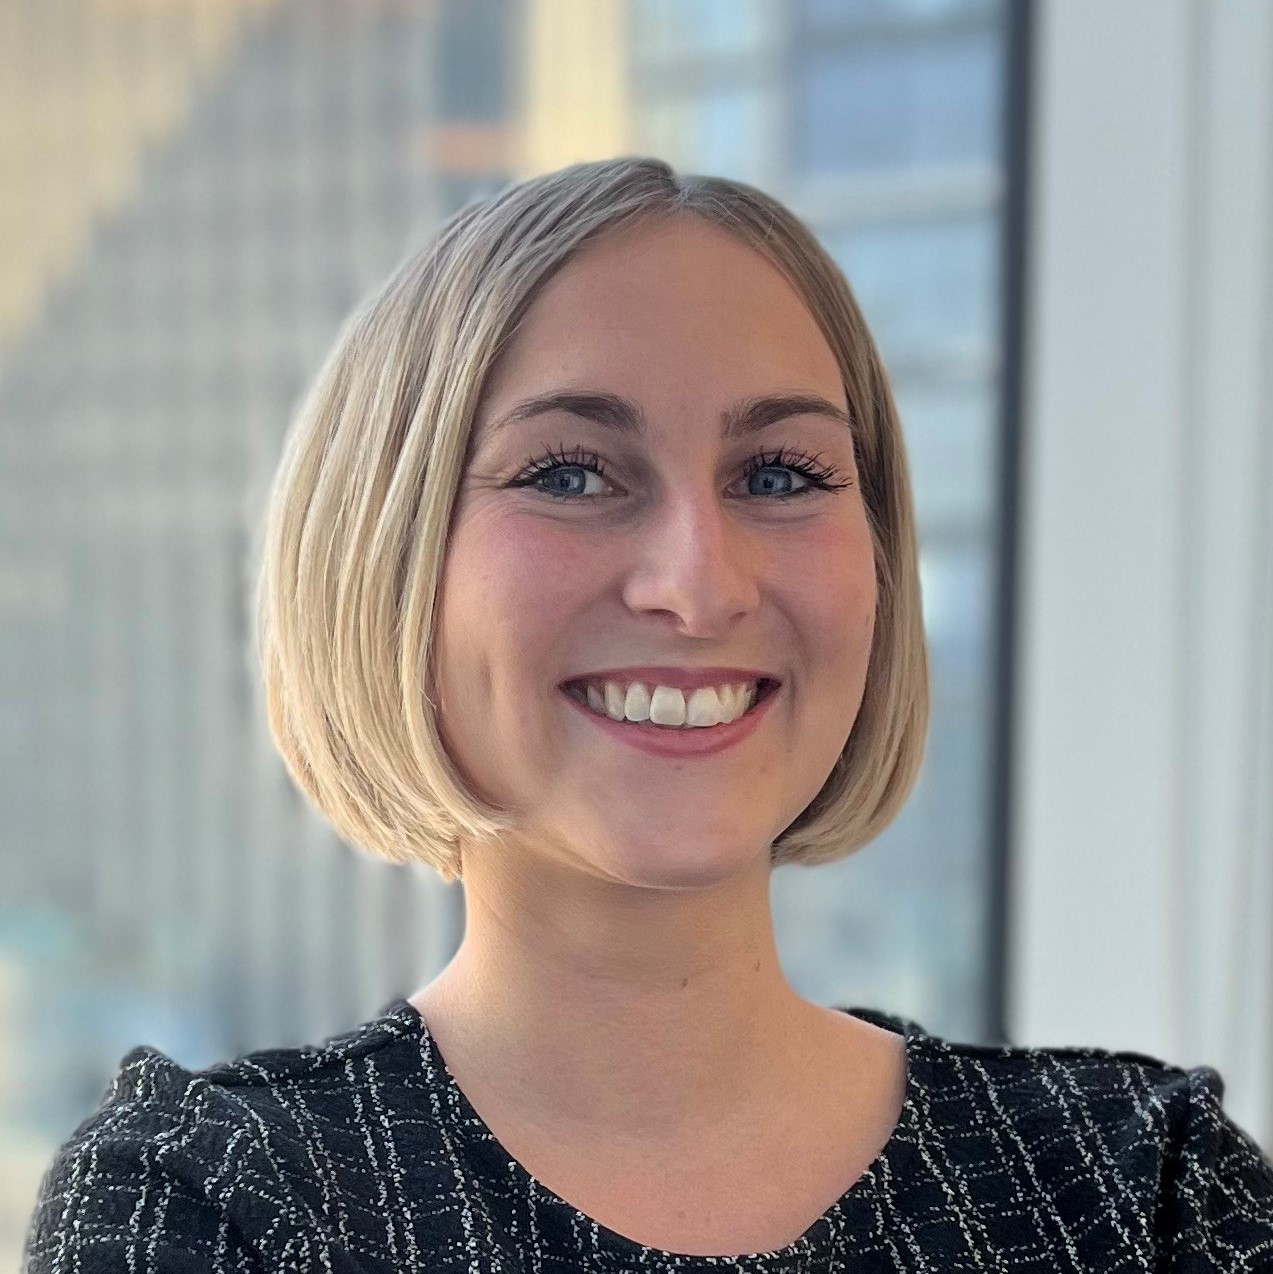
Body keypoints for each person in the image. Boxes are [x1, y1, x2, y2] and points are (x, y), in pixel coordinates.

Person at [23, 157, 1273, 1272]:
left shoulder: (1140, 1188)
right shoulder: (209, 1202)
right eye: (568, 472)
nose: (699, 583)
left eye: (779, 474)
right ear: (389, 555)